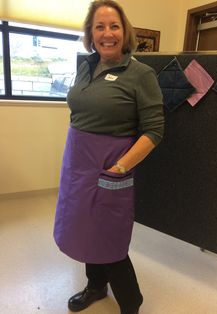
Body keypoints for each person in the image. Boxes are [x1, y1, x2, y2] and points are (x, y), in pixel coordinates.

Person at [53, 1, 164, 313]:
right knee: (86, 229)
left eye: (113, 26)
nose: (107, 33)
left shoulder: (141, 74)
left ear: (124, 31)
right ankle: (96, 287)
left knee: (109, 240)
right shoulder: (86, 66)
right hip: (77, 165)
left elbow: (154, 130)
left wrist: (119, 167)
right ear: (91, 33)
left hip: (111, 166)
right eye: (99, 26)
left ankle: (131, 303)